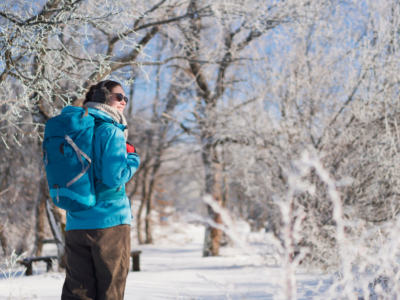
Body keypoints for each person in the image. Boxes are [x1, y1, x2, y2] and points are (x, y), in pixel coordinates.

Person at [61, 80, 140, 300]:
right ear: (104, 98)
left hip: (76, 222)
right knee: (110, 291)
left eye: (126, 97)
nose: (124, 101)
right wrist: (133, 158)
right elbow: (114, 177)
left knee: (78, 292)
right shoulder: (110, 131)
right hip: (109, 223)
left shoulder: (74, 130)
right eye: (119, 96)